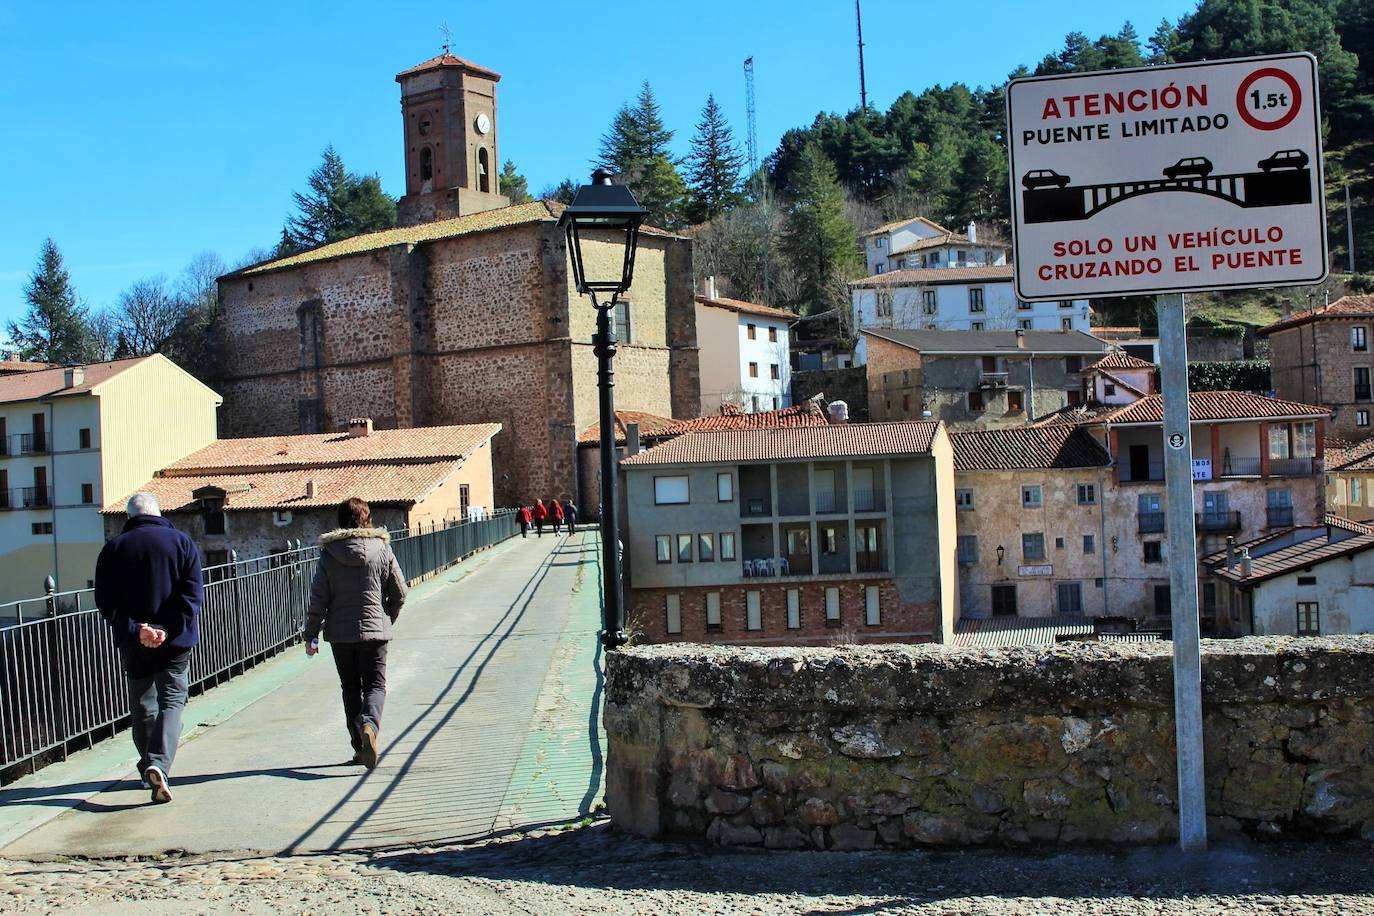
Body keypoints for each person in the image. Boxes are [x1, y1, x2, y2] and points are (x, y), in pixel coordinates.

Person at [94, 492, 203, 805]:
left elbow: (105, 599)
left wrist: (136, 629)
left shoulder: (113, 548)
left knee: (142, 703)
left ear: (130, 516)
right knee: (172, 701)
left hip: (133, 642)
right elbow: (192, 595)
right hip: (176, 640)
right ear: (159, 512)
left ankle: (148, 769)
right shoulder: (182, 543)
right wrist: (164, 629)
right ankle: (159, 762)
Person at [304, 498, 407, 770]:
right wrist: (388, 618)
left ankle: (360, 747)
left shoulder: (329, 553)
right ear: (367, 518)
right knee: (375, 685)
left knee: (351, 688)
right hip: (376, 632)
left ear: (340, 520)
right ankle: (370, 726)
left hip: (340, 634)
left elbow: (319, 598)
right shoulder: (383, 549)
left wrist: (311, 635)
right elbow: (400, 592)